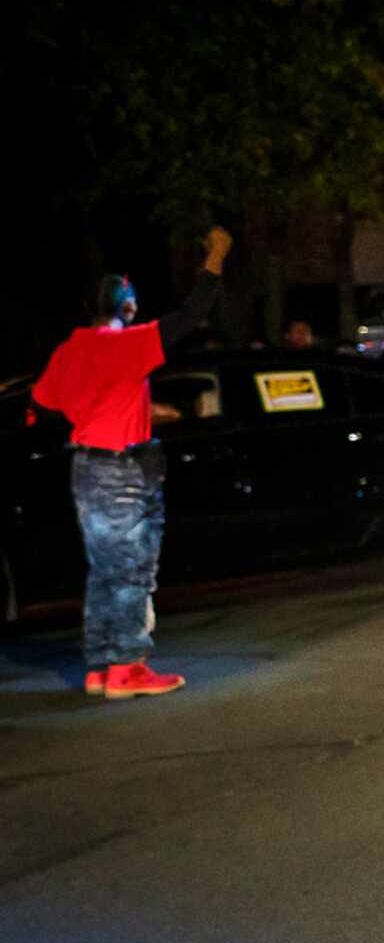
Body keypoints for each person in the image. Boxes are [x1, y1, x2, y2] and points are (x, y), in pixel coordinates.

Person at [31, 226, 233, 699]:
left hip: (86, 467)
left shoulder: (70, 349)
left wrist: (107, 409)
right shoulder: (127, 344)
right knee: (131, 570)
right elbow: (194, 314)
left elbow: (43, 403)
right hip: (123, 471)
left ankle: (101, 666)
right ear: (127, 307)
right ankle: (128, 666)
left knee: (105, 570)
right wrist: (217, 256)